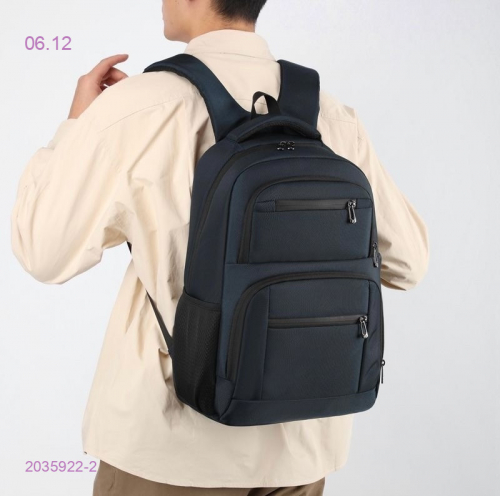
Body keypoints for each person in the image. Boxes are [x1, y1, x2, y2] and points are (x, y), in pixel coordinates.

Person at [10, 0, 430, 494]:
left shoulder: (138, 107)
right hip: (301, 450)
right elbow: (408, 263)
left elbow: (44, 250)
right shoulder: (330, 114)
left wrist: (78, 126)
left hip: (173, 449)